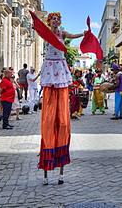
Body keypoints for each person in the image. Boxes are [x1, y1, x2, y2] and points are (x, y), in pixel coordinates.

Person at [38, 12, 86, 185]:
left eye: (58, 19)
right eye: (53, 19)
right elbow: (39, 30)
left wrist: (84, 33)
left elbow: (73, 35)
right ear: (49, 21)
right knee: (49, 117)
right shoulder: (46, 32)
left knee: (63, 121)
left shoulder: (62, 34)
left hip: (60, 66)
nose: (56, 21)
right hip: (50, 66)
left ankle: (60, 168)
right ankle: (47, 161)